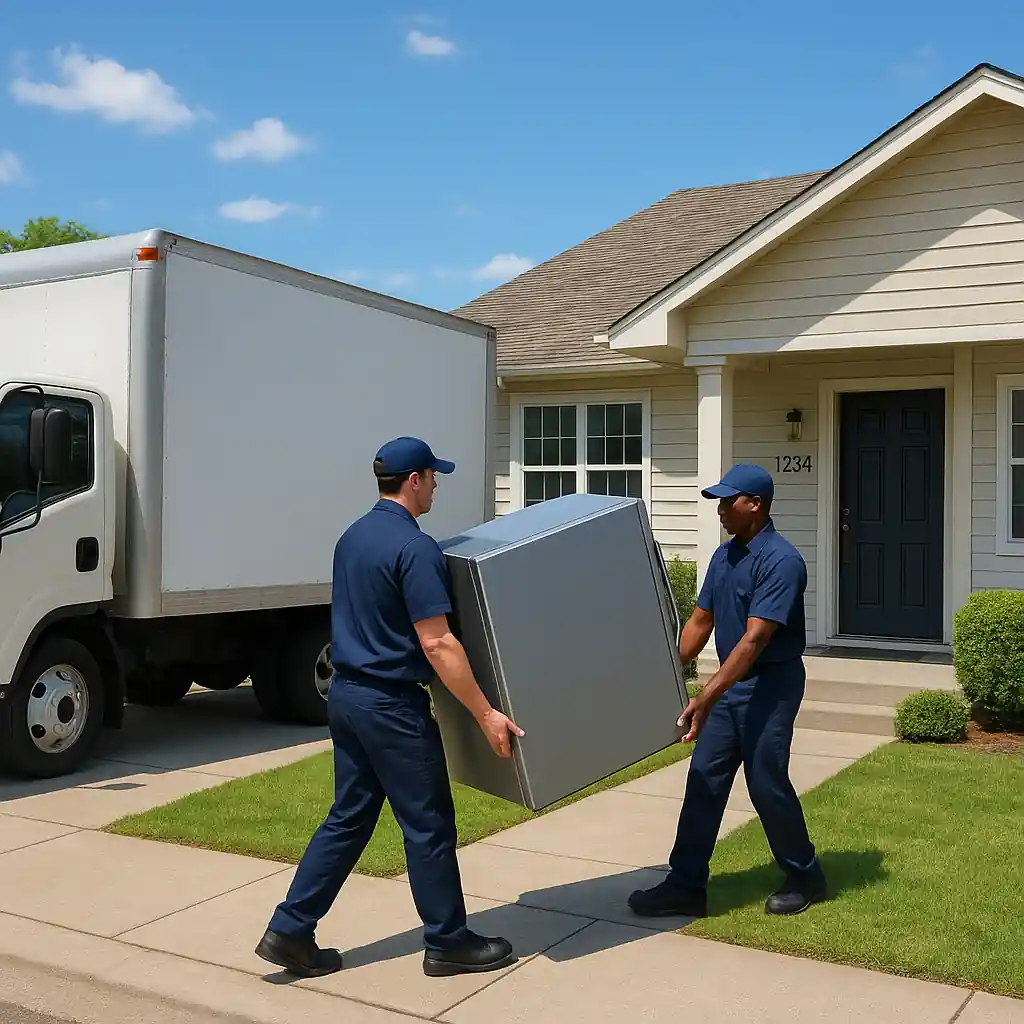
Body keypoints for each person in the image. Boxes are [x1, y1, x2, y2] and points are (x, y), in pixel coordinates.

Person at [255, 436, 524, 979]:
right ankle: (448, 942)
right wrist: (485, 712)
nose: (436, 486)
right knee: (428, 824)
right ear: (415, 480)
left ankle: (289, 929)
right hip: (390, 706)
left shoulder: (352, 538)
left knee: (349, 818)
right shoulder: (415, 547)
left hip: (348, 697)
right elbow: (438, 643)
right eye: (433, 476)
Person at [628, 463, 827, 919]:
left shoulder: (782, 561)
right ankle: (686, 885)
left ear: (754, 504)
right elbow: (700, 622)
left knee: (766, 782)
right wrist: (656, 673)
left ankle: (805, 875)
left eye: (727, 500)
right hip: (731, 688)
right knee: (704, 781)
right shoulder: (725, 557)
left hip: (771, 686)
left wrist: (707, 694)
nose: (719, 509)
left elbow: (755, 640)